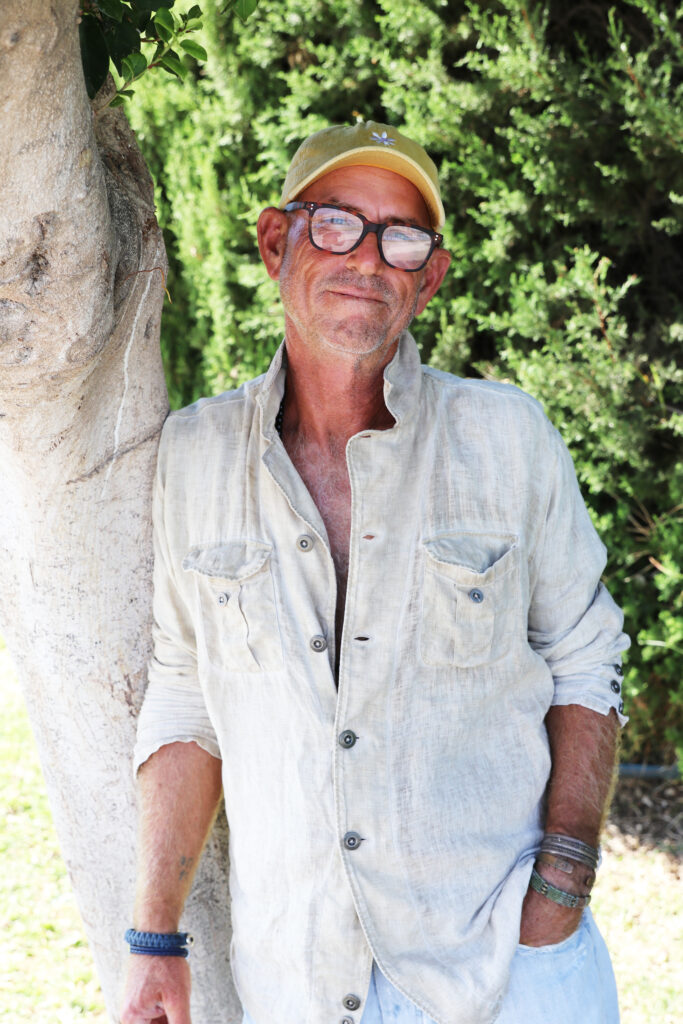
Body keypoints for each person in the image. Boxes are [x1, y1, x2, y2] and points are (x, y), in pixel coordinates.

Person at [121, 121, 629, 1024]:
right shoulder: (194, 456)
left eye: (401, 237)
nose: (366, 258)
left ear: (427, 278)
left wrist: (559, 889)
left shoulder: (506, 438)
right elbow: (186, 696)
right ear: (275, 243)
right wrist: (155, 938)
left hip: (505, 969)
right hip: (300, 983)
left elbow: (584, 658)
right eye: (334, 223)